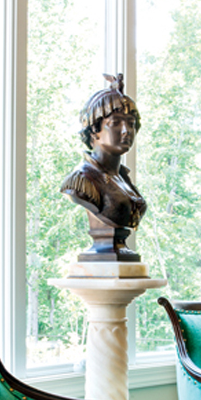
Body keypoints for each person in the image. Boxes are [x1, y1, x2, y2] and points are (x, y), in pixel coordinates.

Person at [61, 74, 146, 261]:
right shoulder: (81, 180)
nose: (126, 131)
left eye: (131, 124)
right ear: (94, 130)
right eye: (115, 123)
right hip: (102, 261)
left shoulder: (123, 178)